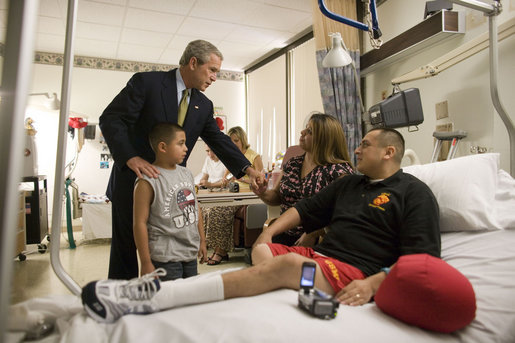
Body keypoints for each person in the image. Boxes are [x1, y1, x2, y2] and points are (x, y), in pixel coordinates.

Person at [81, 128, 441, 324]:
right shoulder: (350, 184)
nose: (357, 150)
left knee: (284, 265)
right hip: (319, 260)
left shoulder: (413, 193)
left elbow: (423, 259)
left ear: (389, 152)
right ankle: (283, 284)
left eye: (365, 145)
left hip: (353, 271)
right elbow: (306, 209)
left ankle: (155, 298)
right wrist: (267, 233)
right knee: (267, 251)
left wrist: (374, 282)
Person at [99, 40, 265, 279]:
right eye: (212, 70)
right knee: (126, 250)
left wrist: (249, 170)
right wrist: (130, 157)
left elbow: (218, 140)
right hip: (135, 181)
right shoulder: (147, 84)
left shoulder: (203, 105)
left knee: (169, 249)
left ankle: (165, 301)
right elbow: (111, 118)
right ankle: (121, 303)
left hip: (172, 191)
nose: (215, 77)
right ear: (193, 62)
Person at [257, 113, 354, 246]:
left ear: (324, 139)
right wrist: (262, 192)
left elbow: (342, 213)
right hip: (285, 234)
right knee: (259, 256)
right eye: (305, 128)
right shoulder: (293, 163)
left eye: (309, 131)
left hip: (319, 239)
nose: (302, 132)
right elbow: (277, 197)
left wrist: (314, 233)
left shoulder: (339, 171)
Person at [133, 123, 207, 281]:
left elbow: (195, 207)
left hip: (189, 254)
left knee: (189, 299)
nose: (186, 148)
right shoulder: (148, 180)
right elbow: (139, 223)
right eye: (180, 143)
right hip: (165, 257)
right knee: (172, 301)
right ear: (163, 147)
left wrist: (202, 240)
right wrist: (145, 262)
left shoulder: (186, 174)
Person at [205, 126, 263, 265]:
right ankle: (218, 249)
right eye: (231, 142)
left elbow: (261, 179)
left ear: (242, 140)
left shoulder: (254, 156)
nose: (233, 144)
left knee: (220, 211)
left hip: (247, 196)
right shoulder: (231, 157)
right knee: (211, 209)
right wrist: (224, 181)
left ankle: (221, 251)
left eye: (236, 141)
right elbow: (227, 178)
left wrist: (243, 179)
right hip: (233, 194)